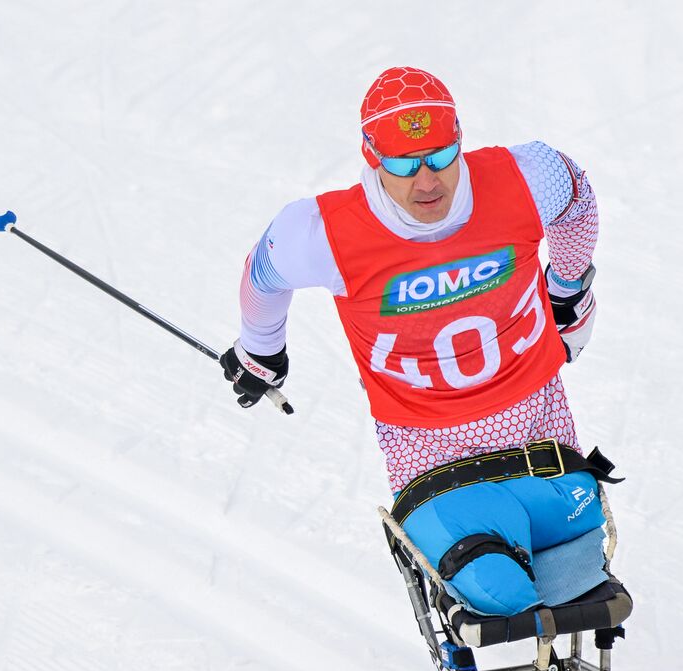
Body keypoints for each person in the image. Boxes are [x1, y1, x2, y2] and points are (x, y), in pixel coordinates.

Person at [220, 66, 614, 617]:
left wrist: (568, 285)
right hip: (435, 465)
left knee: (574, 585)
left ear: (460, 143)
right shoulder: (325, 232)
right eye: (403, 165)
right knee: (502, 595)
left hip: (539, 446)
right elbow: (263, 275)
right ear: (372, 157)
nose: (426, 182)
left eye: (440, 158)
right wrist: (260, 349)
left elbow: (576, 200)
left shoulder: (526, 176)